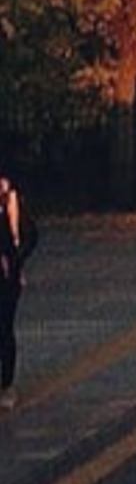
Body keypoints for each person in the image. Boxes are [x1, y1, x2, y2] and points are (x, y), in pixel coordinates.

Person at [1, 172, 36, 413]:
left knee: (4, 326)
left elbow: (30, 236)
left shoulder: (12, 204)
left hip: (7, 276)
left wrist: (15, 260)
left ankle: (6, 383)